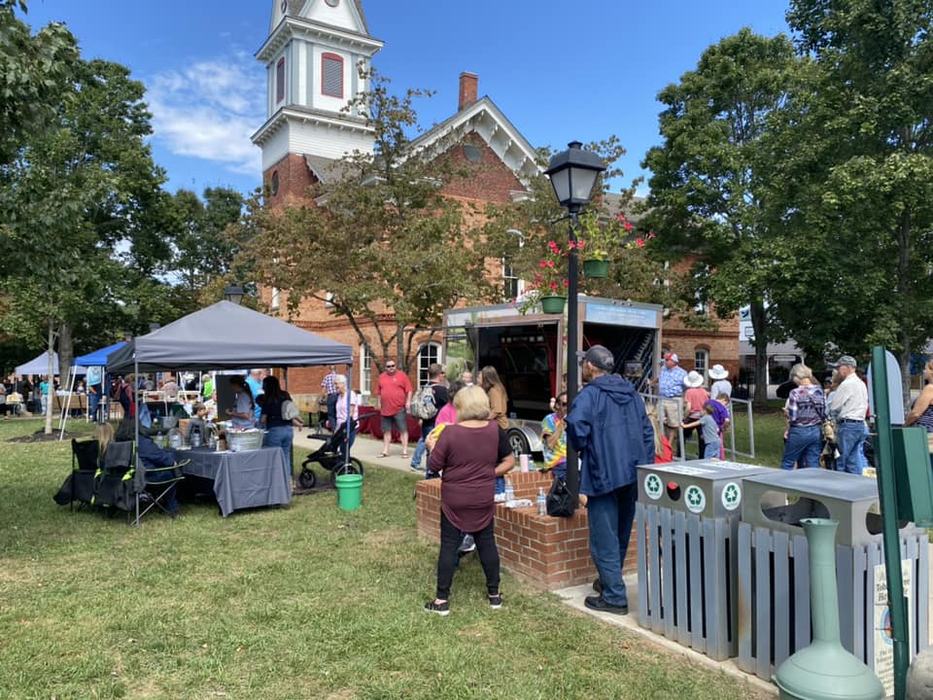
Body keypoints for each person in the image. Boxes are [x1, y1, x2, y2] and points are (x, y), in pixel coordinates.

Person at [566, 345, 654, 615]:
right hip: (633, 472)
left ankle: (614, 596)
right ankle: (609, 580)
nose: (582, 367)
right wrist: (644, 465)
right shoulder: (631, 393)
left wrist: (585, 450)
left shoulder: (590, 395)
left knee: (604, 537)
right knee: (621, 531)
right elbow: (647, 432)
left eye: (584, 364)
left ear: (591, 367)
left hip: (603, 472)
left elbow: (576, 428)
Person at [424, 385, 515, 615]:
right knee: (487, 544)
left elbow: (434, 466)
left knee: (449, 546)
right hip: (483, 497)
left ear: (461, 406)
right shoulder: (494, 430)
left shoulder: (451, 433)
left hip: (454, 499)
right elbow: (509, 461)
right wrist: (490, 473)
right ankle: (495, 595)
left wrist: (430, 447)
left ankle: (441, 600)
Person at [779, 364, 825, 470]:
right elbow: (823, 413)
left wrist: (787, 413)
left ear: (796, 377)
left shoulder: (795, 392)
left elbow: (793, 417)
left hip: (799, 431)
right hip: (815, 430)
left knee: (788, 462)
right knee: (813, 462)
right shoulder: (819, 391)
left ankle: (783, 485)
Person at [828, 355, 868, 474]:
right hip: (860, 424)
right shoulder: (861, 383)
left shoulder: (846, 384)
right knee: (853, 461)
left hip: (848, 425)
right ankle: (857, 486)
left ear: (847, 368)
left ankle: (839, 487)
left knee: (840, 460)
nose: (837, 371)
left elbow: (835, 406)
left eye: (839, 367)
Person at [259, 375, 302, 479]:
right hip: (288, 429)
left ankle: (276, 481)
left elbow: (263, 419)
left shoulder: (268, 398)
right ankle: (287, 481)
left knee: (273, 457)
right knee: (285, 456)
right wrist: (299, 421)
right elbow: (291, 412)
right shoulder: (285, 395)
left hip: (274, 430)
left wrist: (259, 423)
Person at [411, 363, 449, 472]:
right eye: (443, 373)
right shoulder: (442, 391)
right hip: (437, 424)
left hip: (426, 421)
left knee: (426, 445)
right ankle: (432, 471)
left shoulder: (424, 388)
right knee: (435, 448)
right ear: (440, 375)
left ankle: (426, 469)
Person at [137, 431, 181, 516]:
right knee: (169, 474)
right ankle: (171, 507)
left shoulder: (119, 441)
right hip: (147, 476)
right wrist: (173, 463)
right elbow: (161, 457)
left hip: (130, 476)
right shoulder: (143, 442)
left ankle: (162, 503)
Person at [376, 359, 413, 458]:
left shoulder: (402, 375)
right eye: (388, 366)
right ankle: (385, 451)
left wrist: (408, 401)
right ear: (385, 368)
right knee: (386, 431)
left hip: (399, 408)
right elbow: (379, 392)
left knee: (403, 430)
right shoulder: (381, 377)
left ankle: (404, 451)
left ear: (395, 366)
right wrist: (379, 403)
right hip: (385, 409)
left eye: (393, 365)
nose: (391, 368)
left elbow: (409, 390)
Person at [657, 353, 687, 455]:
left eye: (667, 360)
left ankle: (669, 445)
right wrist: (651, 383)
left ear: (673, 362)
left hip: (674, 399)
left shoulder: (682, 373)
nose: (665, 362)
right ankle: (662, 443)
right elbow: (659, 379)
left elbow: (687, 385)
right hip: (662, 398)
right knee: (659, 421)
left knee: (673, 423)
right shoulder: (663, 370)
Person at [905, 359, 933, 465]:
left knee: (920, 464)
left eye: (925, 369)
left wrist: (905, 424)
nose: (923, 371)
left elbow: (916, 413)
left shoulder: (929, 388)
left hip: (925, 432)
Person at [541, 391, 568, 480]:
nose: (568, 407)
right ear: (557, 405)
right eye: (565, 404)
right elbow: (550, 444)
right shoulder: (549, 420)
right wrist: (561, 426)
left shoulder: (573, 419)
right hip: (557, 462)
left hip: (573, 461)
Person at [333, 374, 361, 462]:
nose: (336, 386)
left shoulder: (350, 394)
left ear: (343, 384)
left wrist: (346, 428)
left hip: (349, 426)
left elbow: (351, 413)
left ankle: (347, 467)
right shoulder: (339, 397)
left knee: (345, 447)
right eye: (335, 384)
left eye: (337, 384)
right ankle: (344, 466)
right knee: (341, 448)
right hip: (340, 426)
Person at [682, 370, 710, 458]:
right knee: (702, 438)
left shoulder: (689, 392)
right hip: (702, 416)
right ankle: (702, 456)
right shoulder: (704, 391)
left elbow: (688, 407)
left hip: (692, 416)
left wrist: (684, 416)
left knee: (683, 436)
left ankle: (680, 453)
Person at [479, 366, 509, 430]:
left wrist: (482, 421)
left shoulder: (494, 390)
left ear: (486, 377)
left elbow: (496, 410)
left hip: (499, 425)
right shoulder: (498, 387)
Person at [321, 365, 340, 431]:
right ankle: (339, 428)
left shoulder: (327, 377)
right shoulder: (339, 377)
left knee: (331, 414)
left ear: (329, 369)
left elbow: (323, 388)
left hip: (331, 396)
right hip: (339, 396)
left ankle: (334, 430)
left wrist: (323, 397)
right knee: (338, 413)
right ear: (335, 369)